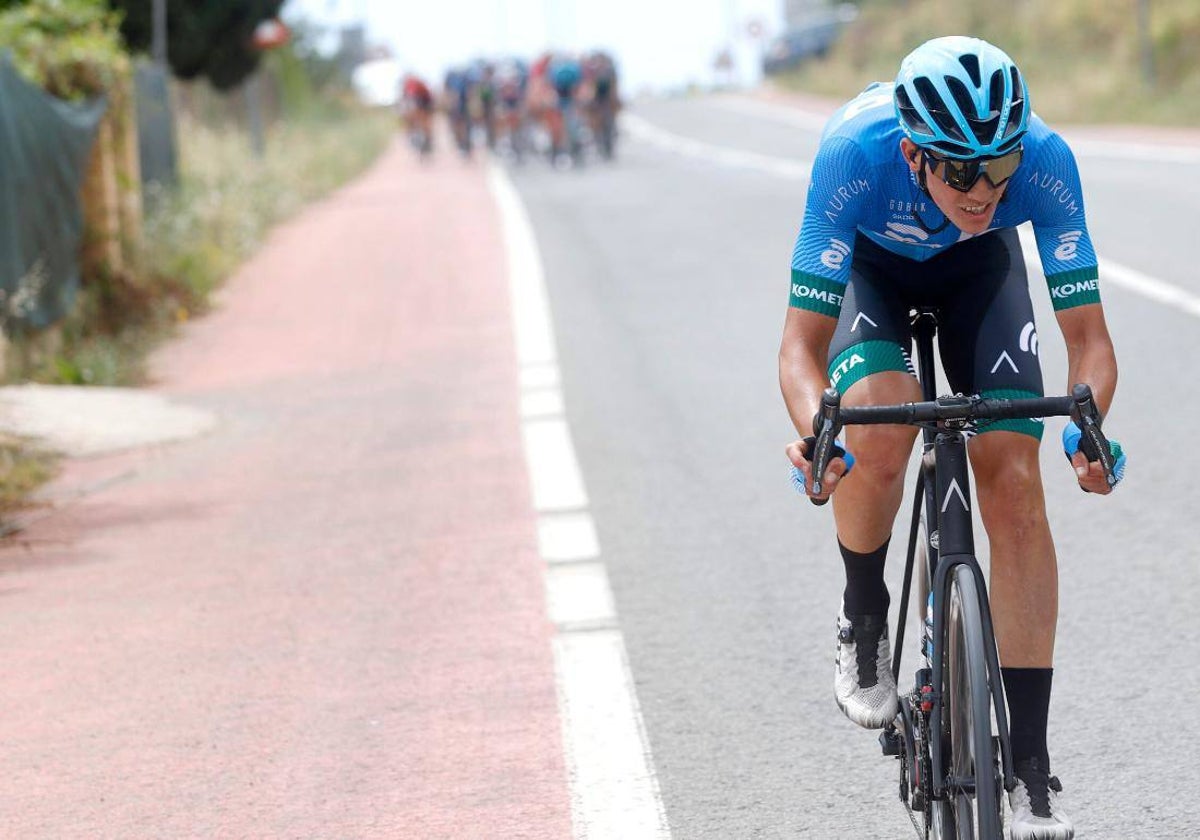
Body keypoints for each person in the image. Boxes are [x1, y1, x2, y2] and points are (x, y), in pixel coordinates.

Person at [778, 36, 1125, 840]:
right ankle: (864, 613)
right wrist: (817, 432)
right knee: (881, 421)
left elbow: (1091, 345)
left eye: (998, 170)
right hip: (874, 273)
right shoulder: (854, 157)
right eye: (961, 172)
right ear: (913, 154)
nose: (984, 191)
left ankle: (1032, 770)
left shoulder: (1043, 162)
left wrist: (1090, 426)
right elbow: (799, 348)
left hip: (980, 277)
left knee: (1015, 483)